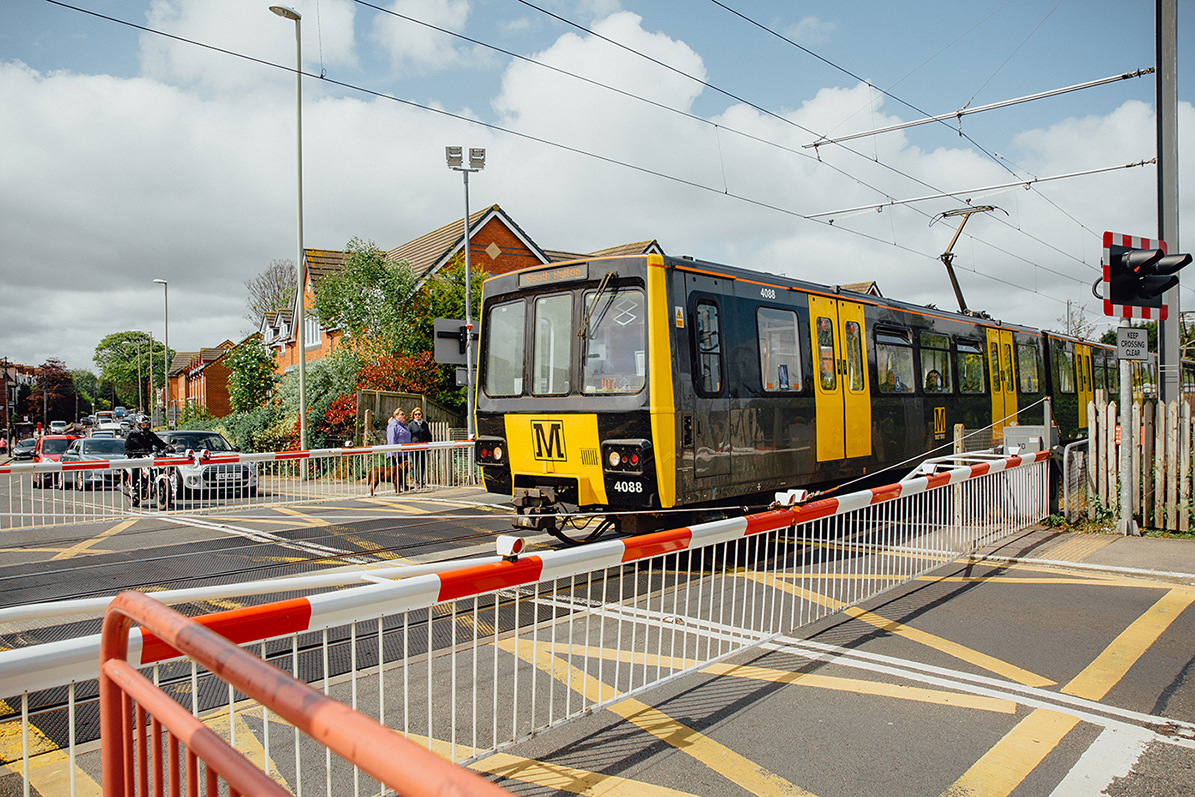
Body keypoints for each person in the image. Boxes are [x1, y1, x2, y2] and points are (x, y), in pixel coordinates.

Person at [123, 414, 169, 506]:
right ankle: (132, 488)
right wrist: (132, 452)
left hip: (148, 456)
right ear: (138, 425)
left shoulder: (150, 435)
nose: (145, 427)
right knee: (136, 467)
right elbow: (127, 448)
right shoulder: (132, 435)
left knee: (157, 465)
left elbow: (159, 442)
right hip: (136, 456)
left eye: (147, 425)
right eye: (143, 425)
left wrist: (167, 447)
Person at [406, 407, 432, 488]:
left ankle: (421, 480)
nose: (417, 416)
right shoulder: (411, 425)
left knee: (422, 464)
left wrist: (429, 445)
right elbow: (409, 436)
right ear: (413, 415)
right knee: (414, 464)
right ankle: (415, 481)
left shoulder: (424, 424)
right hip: (414, 447)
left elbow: (428, 435)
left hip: (423, 446)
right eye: (416, 414)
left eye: (419, 414)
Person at [387, 408, 412, 488]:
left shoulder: (401, 425)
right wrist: (393, 451)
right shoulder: (393, 425)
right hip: (397, 452)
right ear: (396, 415)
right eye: (402, 414)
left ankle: (403, 485)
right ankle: (397, 486)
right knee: (397, 470)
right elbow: (391, 439)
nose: (404, 415)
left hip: (404, 451)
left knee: (404, 470)